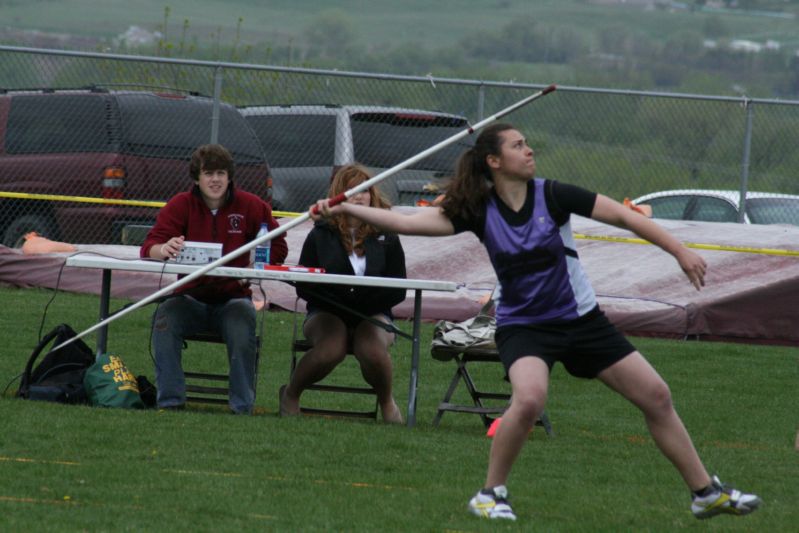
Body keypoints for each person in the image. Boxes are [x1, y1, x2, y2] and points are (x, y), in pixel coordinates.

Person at [309, 124, 761, 520]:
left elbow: (624, 215)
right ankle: (489, 495)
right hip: (526, 326)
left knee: (657, 396)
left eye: (528, 144)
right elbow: (406, 222)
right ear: (494, 160)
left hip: (581, 320)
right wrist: (346, 209)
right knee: (528, 399)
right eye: (518, 145)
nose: (529, 151)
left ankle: (705, 493)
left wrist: (679, 251)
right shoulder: (477, 209)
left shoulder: (554, 194)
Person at [140, 143, 288, 414]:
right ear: (197, 178)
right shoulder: (180, 205)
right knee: (164, 318)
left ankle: (242, 406)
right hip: (189, 298)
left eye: (221, 173)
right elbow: (149, 246)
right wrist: (165, 248)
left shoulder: (252, 206)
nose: (215, 180)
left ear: (230, 176)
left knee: (243, 326)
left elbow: (277, 244)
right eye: (208, 173)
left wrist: (256, 267)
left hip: (234, 299)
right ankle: (170, 401)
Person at [281, 164, 406, 424]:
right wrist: (336, 301)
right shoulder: (320, 233)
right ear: (338, 194)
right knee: (331, 348)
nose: (358, 196)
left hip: (373, 313)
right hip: (326, 312)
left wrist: (366, 305)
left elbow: (398, 287)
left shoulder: (387, 235)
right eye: (351, 190)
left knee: (372, 350)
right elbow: (305, 281)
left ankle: (386, 401)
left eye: (364, 190)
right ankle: (291, 394)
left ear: (371, 194)